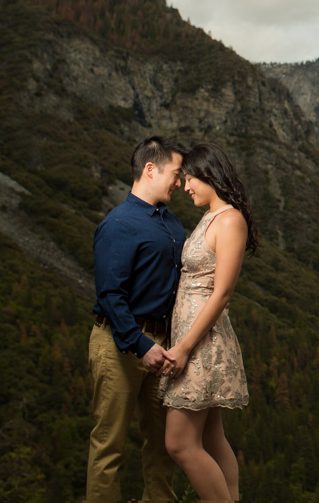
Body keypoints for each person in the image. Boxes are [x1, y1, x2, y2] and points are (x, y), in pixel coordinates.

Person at [87, 136, 187, 502]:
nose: (179, 182)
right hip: (121, 343)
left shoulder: (173, 224)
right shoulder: (118, 225)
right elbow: (110, 295)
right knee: (109, 443)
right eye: (176, 174)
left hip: (164, 347)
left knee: (165, 442)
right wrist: (140, 345)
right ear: (150, 169)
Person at [159, 143, 256, 501]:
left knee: (180, 443)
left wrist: (183, 348)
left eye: (190, 178)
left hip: (203, 344)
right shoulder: (211, 217)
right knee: (213, 438)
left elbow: (223, 293)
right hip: (193, 337)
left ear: (209, 175)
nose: (185, 186)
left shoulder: (230, 219)